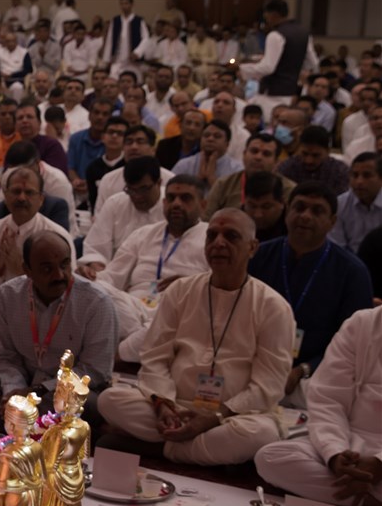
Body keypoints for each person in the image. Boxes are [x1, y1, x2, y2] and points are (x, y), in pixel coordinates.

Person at [97, 209, 293, 465]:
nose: (218, 243)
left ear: (252, 248)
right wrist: (162, 405)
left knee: (261, 433)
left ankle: (164, 449)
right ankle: (201, 451)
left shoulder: (273, 306)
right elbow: (155, 357)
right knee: (110, 400)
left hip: (233, 414)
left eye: (231, 236)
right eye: (212, 236)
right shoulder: (181, 291)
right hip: (176, 404)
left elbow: (268, 386)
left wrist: (213, 418)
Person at [0, 230, 116, 431]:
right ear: (27, 270)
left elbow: (94, 371)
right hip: (26, 384)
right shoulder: (9, 295)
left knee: (83, 406)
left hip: (69, 392)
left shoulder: (96, 302)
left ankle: (16, 427)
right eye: (47, 268)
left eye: (65, 265)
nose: (59, 275)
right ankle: (34, 429)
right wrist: (13, 394)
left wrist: (36, 391)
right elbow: (9, 357)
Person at [247, 182, 373, 403]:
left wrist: (303, 370)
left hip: (316, 375)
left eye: (317, 211)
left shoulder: (352, 272)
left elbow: (354, 344)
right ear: (287, 211)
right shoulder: (257, 256)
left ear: (332, 222)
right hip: (253, 364)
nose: (305, 216)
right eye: (299, 207)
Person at [254, 307, 382, 506]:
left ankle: (356, 492)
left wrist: (379, 463)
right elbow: (328, 399)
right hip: (350, 445)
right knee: (270, 457)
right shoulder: (362, 323)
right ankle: (366, 497)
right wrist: (335, 455)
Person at [95, 175, 210, 362]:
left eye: (186, 198)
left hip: (176, 311)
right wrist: (91, 278)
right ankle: (141, 341)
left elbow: (218, 288)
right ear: (164, 202)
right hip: (134, 309)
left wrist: (192, 284)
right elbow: (112, 277)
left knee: (175, 321)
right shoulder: (143, 234)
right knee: (95, 290)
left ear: (203, 205)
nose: (177, 204)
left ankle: (120, 353)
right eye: (171, 198)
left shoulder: (211, 238)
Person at [0, 166, 74, 348]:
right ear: (5, 195)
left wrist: (20, 268)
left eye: (29, 192)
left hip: (40, 320)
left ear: (41, 199)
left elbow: (64, 296)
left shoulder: (57, 237)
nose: (22, 198)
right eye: (16, 191)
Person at [79, 155, 164, 271]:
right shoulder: (115, 204)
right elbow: (96, 247)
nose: (137, 196)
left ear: (159, 183)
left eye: (143, 189)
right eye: (131, 190)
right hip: (115, 277)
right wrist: (97, 266)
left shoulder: (172, 207)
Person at [234, 0, 317, 117]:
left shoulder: (276, 34)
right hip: (290, 92)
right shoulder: (304, 33)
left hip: (272, 93)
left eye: (266, 15)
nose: (265, 19)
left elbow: (268, 67)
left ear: (274, 14)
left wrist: (241, 68)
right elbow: (312, 63)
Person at [203, 132, 291, 218]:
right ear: (244, 154)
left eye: (266, 154)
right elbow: (206, 220)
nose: (258, 157)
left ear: (276, 162)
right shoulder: (223, 184)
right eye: (254, 151)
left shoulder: (288, 189)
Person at [171, 119, 242, 196]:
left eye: (217, 136)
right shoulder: (184, 164)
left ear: (227, 144)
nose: (210, 139)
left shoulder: (237, 169)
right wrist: (198, 179)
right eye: (206, 135)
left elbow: (233, 201)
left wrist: (212, 179)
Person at [330, 152, 382, 255]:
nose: (359, 181)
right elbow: (337, 247)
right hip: (349, 265)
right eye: (355, 175)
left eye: (367, 175)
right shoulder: (340, 204)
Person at [275, 126, 350, 196]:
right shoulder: (287, 167)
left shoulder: (340, 171)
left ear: (327, 152)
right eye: (304, 154)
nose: (309, 161)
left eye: (316, 155)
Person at [65, 100, 115, 197]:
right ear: (89, 115)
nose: (100, 117)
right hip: (78, 191)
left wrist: (91, 184)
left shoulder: (113, 142)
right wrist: (77, 181)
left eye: (105, 114)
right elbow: (70, 167)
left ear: (110, 118)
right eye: (96, 113)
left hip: (104, 191)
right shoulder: (75, 138)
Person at [83, 116, 127, 209]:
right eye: (111, 132)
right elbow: (93, 199)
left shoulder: (130, 166)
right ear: (103, 137)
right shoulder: (93, 167)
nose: (114, 136)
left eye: (120, 133)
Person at [102, 0, 148, 76]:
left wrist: (137, 52)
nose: (124, 6)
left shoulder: (138, 20)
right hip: (118, 58)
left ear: (131, 5)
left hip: (133, 58)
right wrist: (107, 58)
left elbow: (146, 38)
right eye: (122, 4)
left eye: (126, 3)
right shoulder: (116, 20)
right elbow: (110, 39)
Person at [241, 171, 289, 242]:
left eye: (266, 207)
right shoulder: (236, 222)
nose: (258, 215)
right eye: (252, 206)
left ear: (281, 202)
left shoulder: (292, 226)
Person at [0, 31, 32, 100]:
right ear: (5, 42)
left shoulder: (24, 52)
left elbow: (28, 70)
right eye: (8, 41)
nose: (10, 43)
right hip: (2, 79)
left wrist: (12, 75)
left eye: (12, 41)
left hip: (17, 79)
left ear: (16, 41)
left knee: (17, 87)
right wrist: (0, 73)